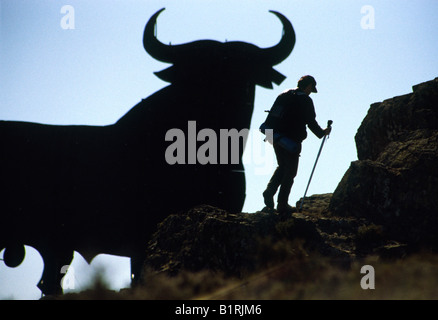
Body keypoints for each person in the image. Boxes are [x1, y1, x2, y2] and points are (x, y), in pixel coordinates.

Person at [262, 75, 331, 214]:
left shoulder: (283, 94)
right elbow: (311, 122)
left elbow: (271, 117)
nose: (311, 92)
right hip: (292, 140)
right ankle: (282, 205)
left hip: (275, 136)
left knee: (282, 166)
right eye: (311, 89)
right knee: (291, 172)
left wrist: (270, 137)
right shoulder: (305, 100)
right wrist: (322, 132)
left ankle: (269, 191)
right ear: (309, 86)